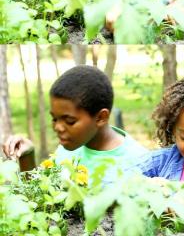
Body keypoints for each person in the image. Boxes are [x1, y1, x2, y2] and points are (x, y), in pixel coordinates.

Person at [2, 65, 147, 182]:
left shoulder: (140, 163)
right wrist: (27, 157)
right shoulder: (69, 148)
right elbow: (38, 197)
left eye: (69, 121)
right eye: (54, 119)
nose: (57, 127)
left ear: (101, 118)